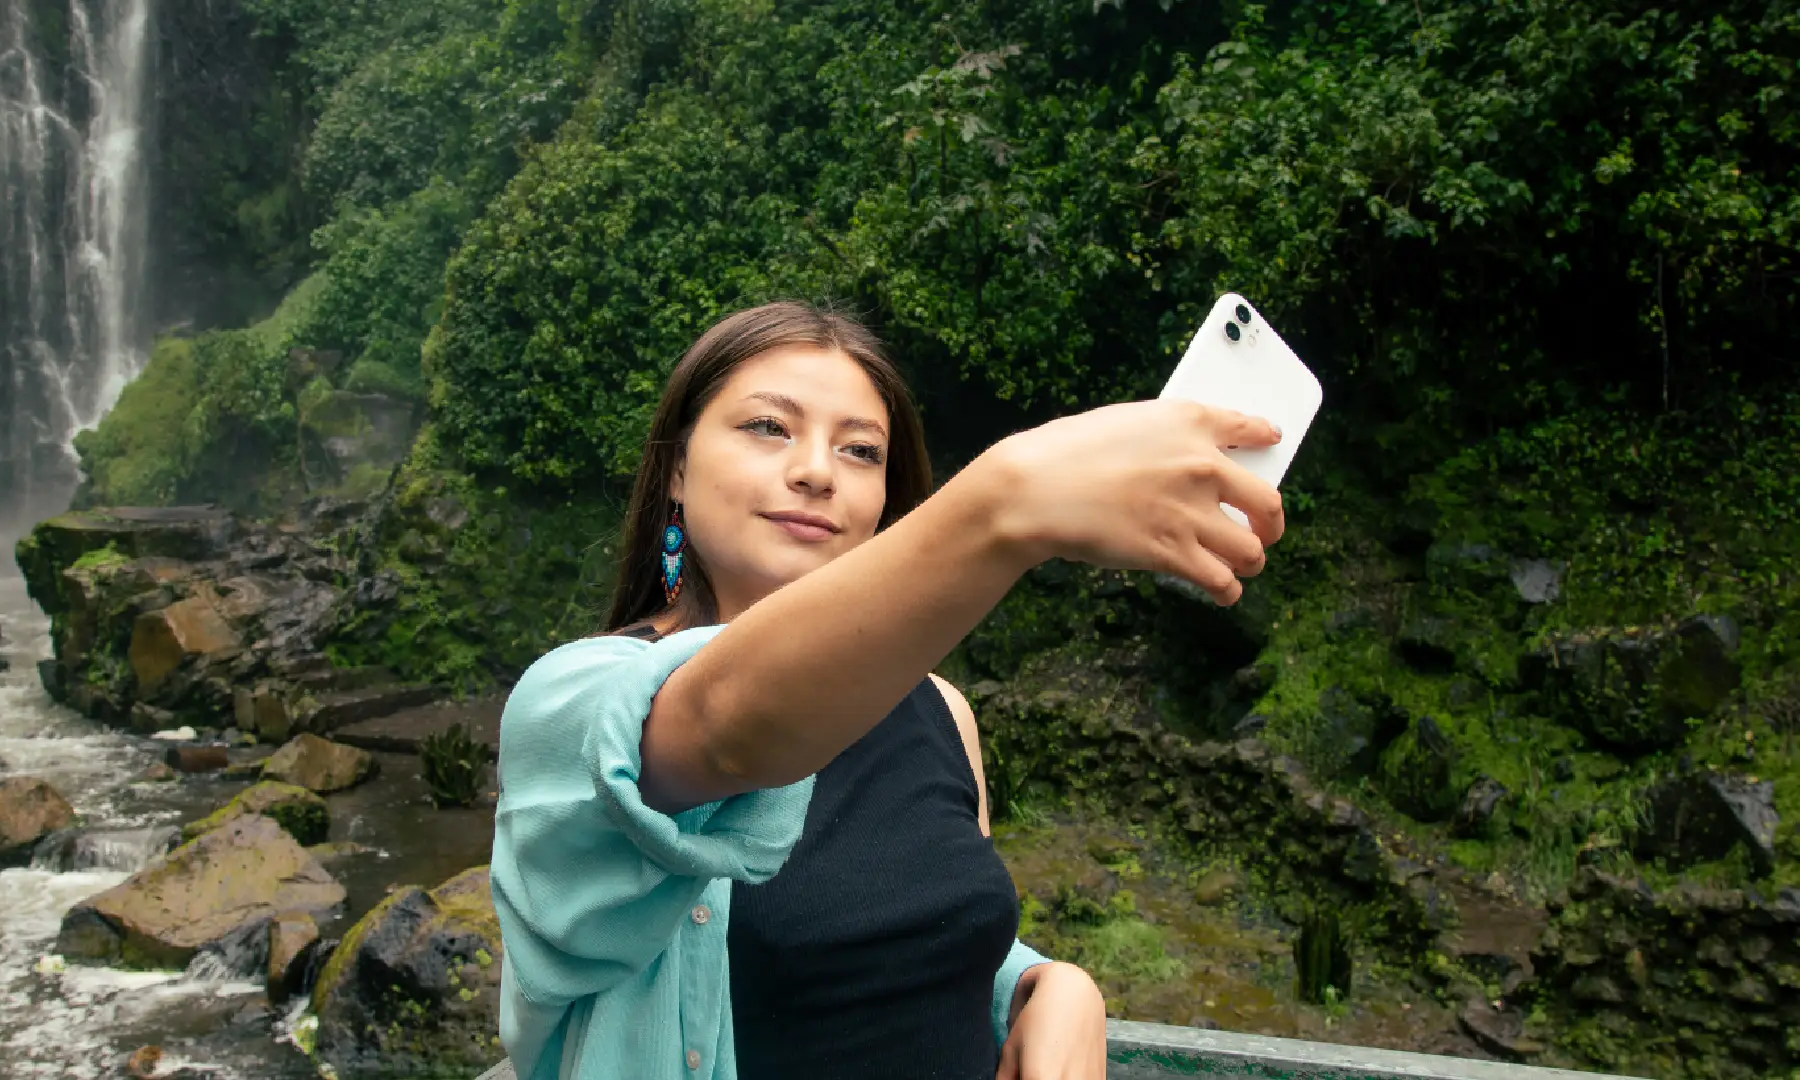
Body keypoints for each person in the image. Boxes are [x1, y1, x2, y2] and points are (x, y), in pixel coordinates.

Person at [490, 301, 1286, 1080]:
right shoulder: (574, 702)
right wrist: (1007, 502)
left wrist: (1044, 984)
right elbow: (733, 727)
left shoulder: (941, 709)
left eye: (861, 451)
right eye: (769, 427)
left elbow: (920, 931)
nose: (814, 472)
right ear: (676, 467)